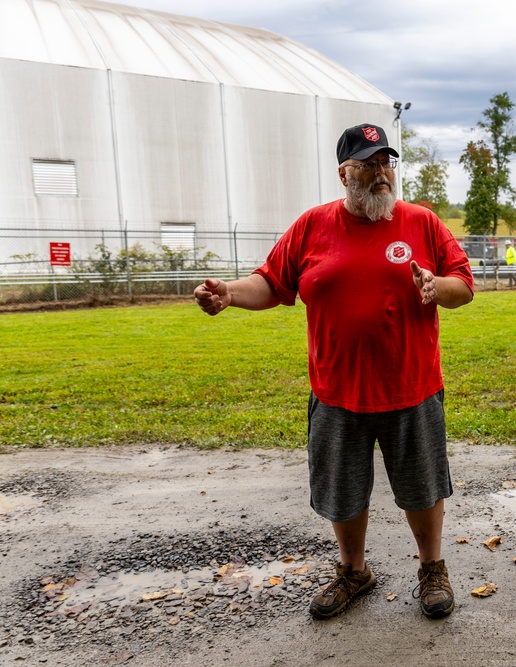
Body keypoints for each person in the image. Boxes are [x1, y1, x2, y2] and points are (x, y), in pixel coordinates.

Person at [194, 123, 474, 621]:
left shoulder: (422, 222)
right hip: (337, 392)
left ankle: (432, 567)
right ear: (344, 173)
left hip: (411, 388)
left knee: (423, 486)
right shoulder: (311, 226)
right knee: (342, 491)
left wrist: (437, 288)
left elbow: (463, 283)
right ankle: (353, 571)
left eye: (386, 163)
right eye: (369, 164)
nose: (381, 173)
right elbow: (271, 282)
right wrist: (230, 295)